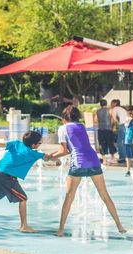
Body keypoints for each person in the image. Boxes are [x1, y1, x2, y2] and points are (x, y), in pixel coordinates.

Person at [52, 105, 126, 236]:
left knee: (69, 196)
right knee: (105, 196)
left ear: (64, 118)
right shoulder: (81, 126)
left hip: (79, 163)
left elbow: (65, 151)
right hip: (94, 161)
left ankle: (61, 229)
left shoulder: (63, 129)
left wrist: (50, 156)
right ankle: (120, 226)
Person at [0, 131, 51, 233]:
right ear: (33, 145)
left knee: (0, 191)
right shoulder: (33, 154)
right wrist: (57, 160)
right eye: (39, 143)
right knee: (23, 198)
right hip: (7, 175)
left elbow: (1, 144)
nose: (40, 145)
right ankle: (24, 226)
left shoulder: (16, 143)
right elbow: (48, 157)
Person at [95, 99, 117, 164]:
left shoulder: (98, 111)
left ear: (100, 104)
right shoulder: (110, 110)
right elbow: (114, 119)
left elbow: (95, 120)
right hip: (109, 129)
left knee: (102, 144)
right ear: (106, 104)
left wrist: (101, 121)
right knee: (110, 143)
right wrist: (114, 127)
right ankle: (113, 158)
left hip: (101, 129)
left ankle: (104, 160)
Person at [111, 99, 128, 163]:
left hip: (122, 126)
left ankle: (122, 158)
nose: (111, 105)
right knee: (124, 142)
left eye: (112, 103)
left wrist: (114, 127)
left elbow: (114, 120)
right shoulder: (122, 109)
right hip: (127, 125)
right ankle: (125, 157)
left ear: (115, 103)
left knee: (119, 142)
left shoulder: (115, 109)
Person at [124, 107, 133, 177]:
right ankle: (128, 170)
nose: (127, 116)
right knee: (128, 156)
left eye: (128, 114)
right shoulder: (127, 121)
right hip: (127, 141)